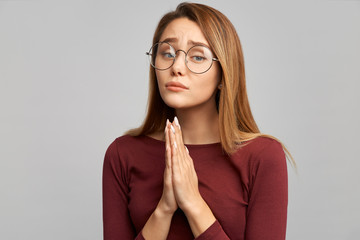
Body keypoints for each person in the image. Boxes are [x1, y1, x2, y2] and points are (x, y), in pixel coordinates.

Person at [102, 2, 295, 240]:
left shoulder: (262, 156)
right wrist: (164, 209)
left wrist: (193, 203)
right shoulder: (122, 154)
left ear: (224, 75)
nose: (177, 67)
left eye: (197, 56)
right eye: (167, 53)